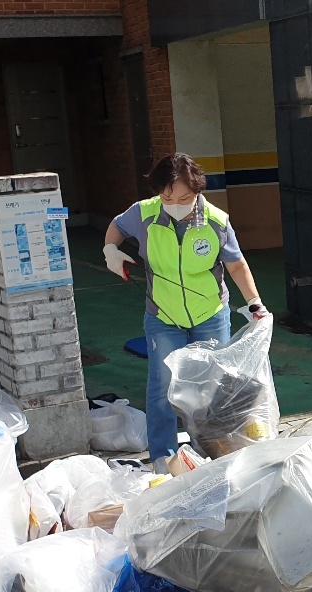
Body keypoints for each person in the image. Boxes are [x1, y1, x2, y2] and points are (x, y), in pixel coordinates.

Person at [103, 153, 267, 469]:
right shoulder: (144, 214)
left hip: (210, 314)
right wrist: (111, 250)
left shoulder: (216, 221)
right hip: (163, 317)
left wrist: (255, 302)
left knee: (209, 391)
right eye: (167, 197)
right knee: (163, 387)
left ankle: (206, 454)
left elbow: (236, 265)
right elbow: (116, 227)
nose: (176, 203)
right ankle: (164, 458)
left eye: (185, 198)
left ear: (198, 191)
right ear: (158, 192)